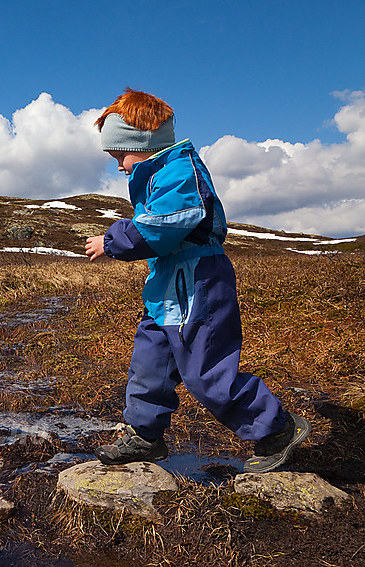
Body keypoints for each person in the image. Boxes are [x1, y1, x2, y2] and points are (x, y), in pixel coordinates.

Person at [84, 88, 310, 473]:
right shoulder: (158, 174)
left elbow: (163, 227)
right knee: (149, 363)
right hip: (168, 288)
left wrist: (112, 240)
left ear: (143, 141)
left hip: (199, 284)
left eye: (120, 155)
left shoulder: (179, 170)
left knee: (206, 371)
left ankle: (276, 430)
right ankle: (145, 436)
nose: (120, 166)